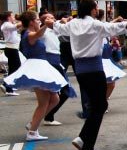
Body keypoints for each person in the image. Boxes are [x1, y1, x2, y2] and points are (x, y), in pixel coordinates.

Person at [53, 0, 127, 150]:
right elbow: (117, 27)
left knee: (97, 105)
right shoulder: (95, 25)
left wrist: (50, 23)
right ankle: (86, 145)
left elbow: (58, 27)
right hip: (94, 68)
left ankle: (84, 139)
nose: (97, 9)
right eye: (96, 7)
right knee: (100, 106)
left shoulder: (73, 24)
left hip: (80, 70)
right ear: (92, 9)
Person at [3, 11, 67, 141]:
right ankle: (32, 132)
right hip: (37, 69)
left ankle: (33, 124)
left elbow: (41, 34)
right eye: (37, 20)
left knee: (55, 99)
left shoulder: (31, 34)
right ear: (32, 22)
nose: (38, 21)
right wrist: (47, 25)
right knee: (43, 103)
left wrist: (47, 25)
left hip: (42, 67)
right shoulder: (28, 35)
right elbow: (38, 34)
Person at [41, 13, 76, 126]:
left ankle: (47, 116)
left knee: (57, 93)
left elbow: (71, 32)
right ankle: (42, 118)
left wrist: (67, 21)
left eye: (52, 17)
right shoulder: (43, 31)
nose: (53, 19)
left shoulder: (55, 31)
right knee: (63, 91)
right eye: (50, 18)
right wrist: (46, 25)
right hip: (50, 61)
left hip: (56, 61)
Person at [2, 11, 22, 96]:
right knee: (15, 67)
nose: (13, 17)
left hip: (12, 48)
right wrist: (24, 20)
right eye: (12, 15)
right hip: (11, 49)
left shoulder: (7, 24)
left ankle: (9, 86)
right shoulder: (7, 24)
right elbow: (16, 26)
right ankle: (7, 86)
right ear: (8, 17)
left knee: (13, 67)